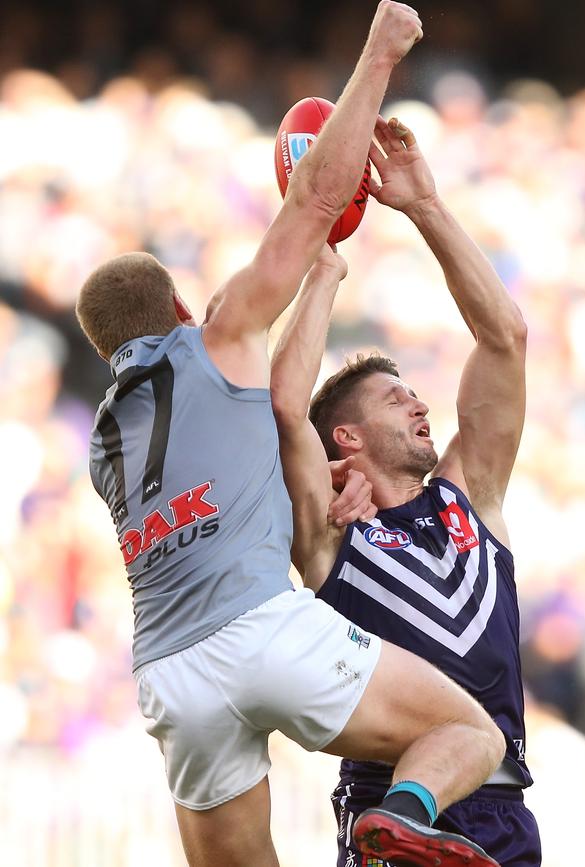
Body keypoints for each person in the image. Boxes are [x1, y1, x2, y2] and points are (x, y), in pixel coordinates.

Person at [75, 5, 507, 866]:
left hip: (168, 672)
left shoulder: (102, 443)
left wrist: (322, 282)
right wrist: (381, 53)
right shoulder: (220, 332)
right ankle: (408, 813)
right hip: (261, 629)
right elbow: (313, 199)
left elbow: (239, 455)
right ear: (182, 310)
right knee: (469, 731)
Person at [271, 116, 542, 866]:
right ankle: (404, 817)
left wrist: (425, 206)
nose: (421, 405)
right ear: (346, 440)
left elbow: (505, 339)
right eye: (396, 399)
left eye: (414, 394)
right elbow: (283, 407)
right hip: (385, 802)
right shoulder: (329, 525)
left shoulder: (471, 494)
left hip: (504, 807)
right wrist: (321, 260)